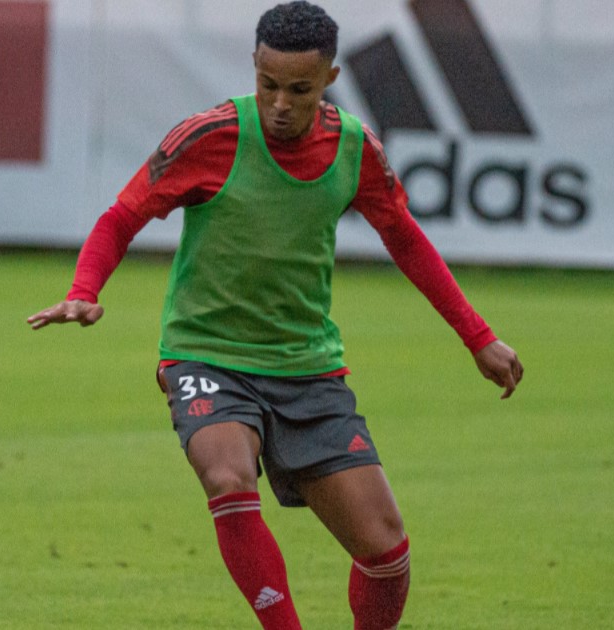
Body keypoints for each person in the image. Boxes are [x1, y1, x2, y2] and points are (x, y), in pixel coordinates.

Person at [27, 2, 523, 628]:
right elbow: (123, 215)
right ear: (254, 67)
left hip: (307, 367)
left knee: (386, 550)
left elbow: (405, 239)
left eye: (299, 89)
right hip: (206, 354)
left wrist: (478, 338)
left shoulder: (356, 150)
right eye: (268, 85)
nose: (280, 103)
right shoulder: (209, 137)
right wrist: (85, 286)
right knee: (228, 476)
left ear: (330, 80)